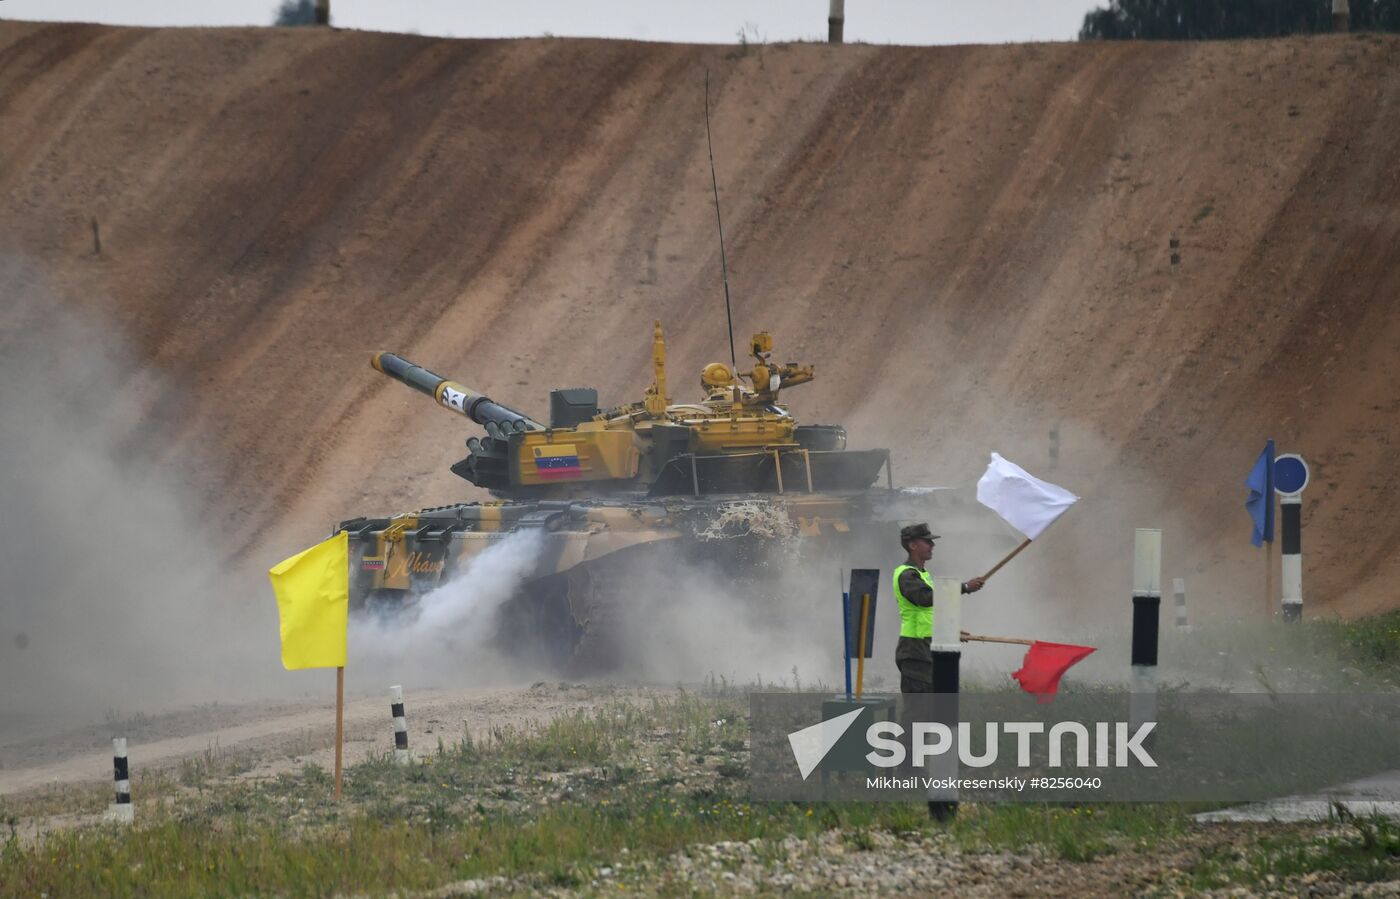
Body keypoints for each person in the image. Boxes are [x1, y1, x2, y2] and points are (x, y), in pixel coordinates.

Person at [892, 522, 985, 693]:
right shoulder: (906, 574)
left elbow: (927, 616)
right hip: (914, 651)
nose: (932, 545)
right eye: (927, 542)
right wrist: (964, 587)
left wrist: (949, 633)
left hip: (925, 650)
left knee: (930, 713)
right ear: (913, 545)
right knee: (916, 713)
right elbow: (925, 598)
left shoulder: (922, 575)